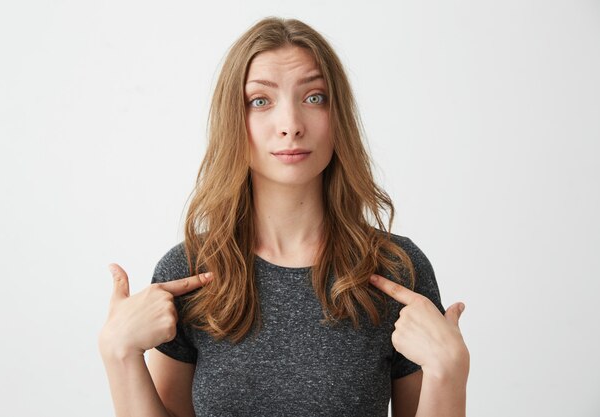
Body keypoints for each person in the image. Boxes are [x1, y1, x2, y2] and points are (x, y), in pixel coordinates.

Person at [98, 16, 470, 417]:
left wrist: (449, 374)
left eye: (314, 98)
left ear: (338, 116)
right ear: (233, 121)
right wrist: (119, 355)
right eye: (261, 101)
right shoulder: (188, 270)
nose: (291, 125)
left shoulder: (396, 271)